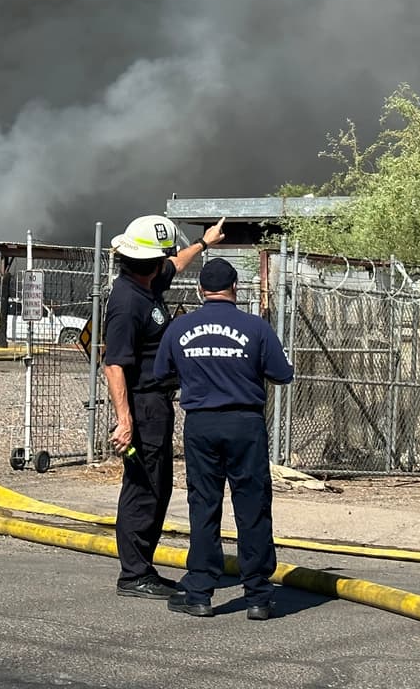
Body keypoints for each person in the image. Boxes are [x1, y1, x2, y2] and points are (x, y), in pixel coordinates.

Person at [155, 257, 294, 620]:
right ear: (235, 287)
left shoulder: (179, 328)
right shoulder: (256, 328)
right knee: (252, 506)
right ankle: (259, 597)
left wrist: (195, 377)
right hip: (244, 424)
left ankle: (200, 591)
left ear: (201, 290)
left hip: (200, 423)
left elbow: (161, 374)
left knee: (204, 506)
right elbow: (281, 374)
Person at [105, 213, 226, 599]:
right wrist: (125, 421)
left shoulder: (147, 281)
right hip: (143, 406)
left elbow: (176, 263)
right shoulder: (127, 303)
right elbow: (114, 364)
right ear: (150, 261)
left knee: (157, 485)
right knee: (145, 488)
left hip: (155, 403)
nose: (167, 262)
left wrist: (204, 242)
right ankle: (134, 574)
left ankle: (141, 568)